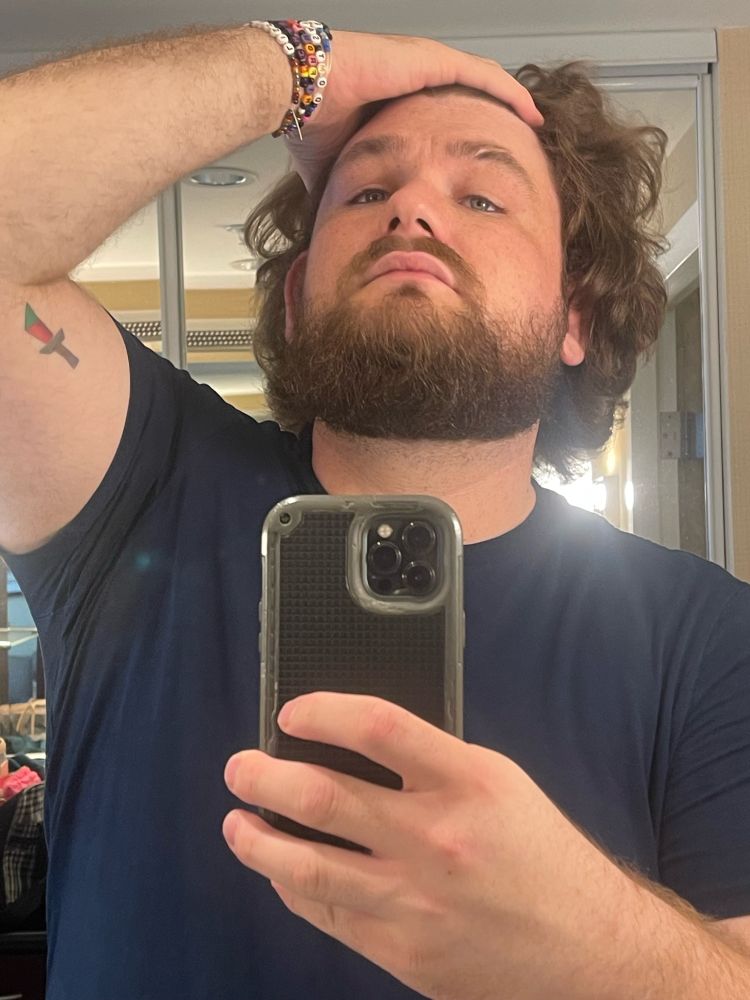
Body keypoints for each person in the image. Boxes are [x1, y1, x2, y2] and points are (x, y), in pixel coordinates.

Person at [0, 18, 748, 1000]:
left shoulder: (709, 637)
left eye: (481, 195)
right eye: (365, 190)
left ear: (576, 314)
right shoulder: (137, 485)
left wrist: (592, 941)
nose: (413, 209)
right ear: (298, 299)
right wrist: (290, 67)